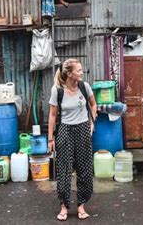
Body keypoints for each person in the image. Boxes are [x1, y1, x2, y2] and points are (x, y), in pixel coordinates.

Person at [47, 59, 97, 221]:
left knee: (84, 170)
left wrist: (92, 123)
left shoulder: (84, 87)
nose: (82, 73)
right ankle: (64, 206)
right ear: (69, 73)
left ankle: (81, 205)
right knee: (64, 171)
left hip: (83, 130)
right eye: (79, 70)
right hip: (65, 131)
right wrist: (50, 139)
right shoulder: (58, 90)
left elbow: (93, 105)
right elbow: (52, 115)